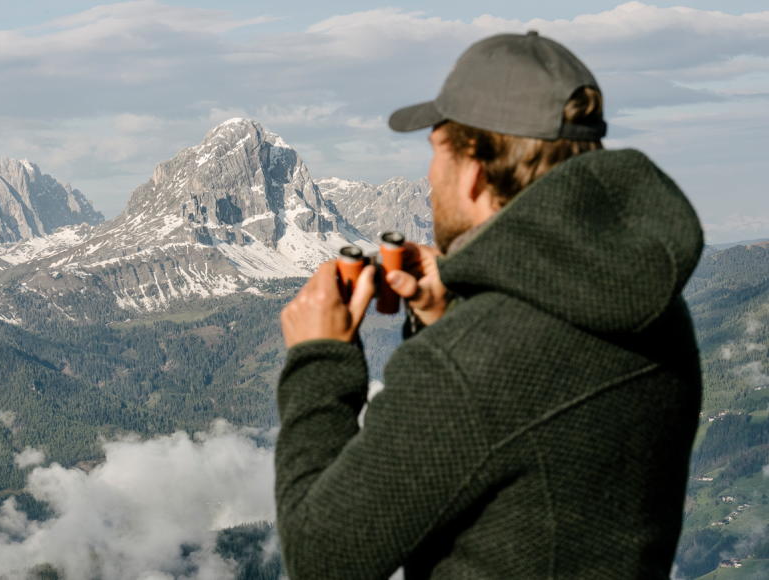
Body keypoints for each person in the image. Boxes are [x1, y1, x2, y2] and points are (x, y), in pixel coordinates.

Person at [274, 31, 703, 579]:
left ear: (474, 166)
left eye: (435, 153)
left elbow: (321, 555)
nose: (428, 180)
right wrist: (451, 317)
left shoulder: (468, 367)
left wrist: (319, 358)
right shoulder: (653, 306)